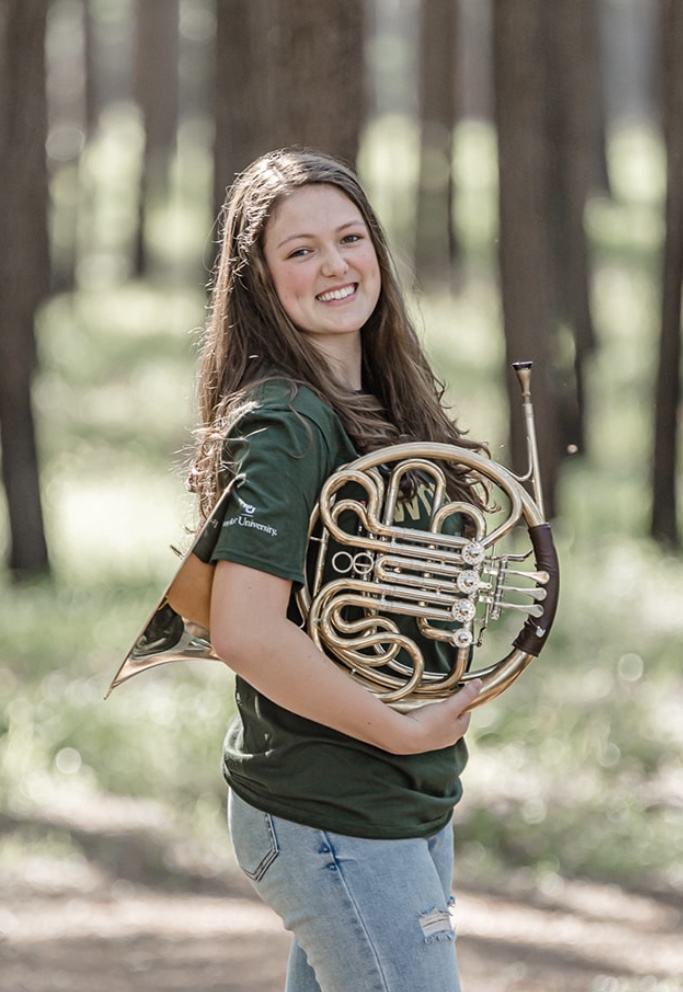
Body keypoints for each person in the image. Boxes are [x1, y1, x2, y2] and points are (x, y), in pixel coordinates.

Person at [180, 148, 490, 992]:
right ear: (257, 281)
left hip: (395, 795)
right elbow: (243, 631)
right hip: (334, 808)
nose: (335, 265)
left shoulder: (383, 404)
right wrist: (400, 728)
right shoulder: (285, 420)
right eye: (299, 250)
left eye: (349, 237)